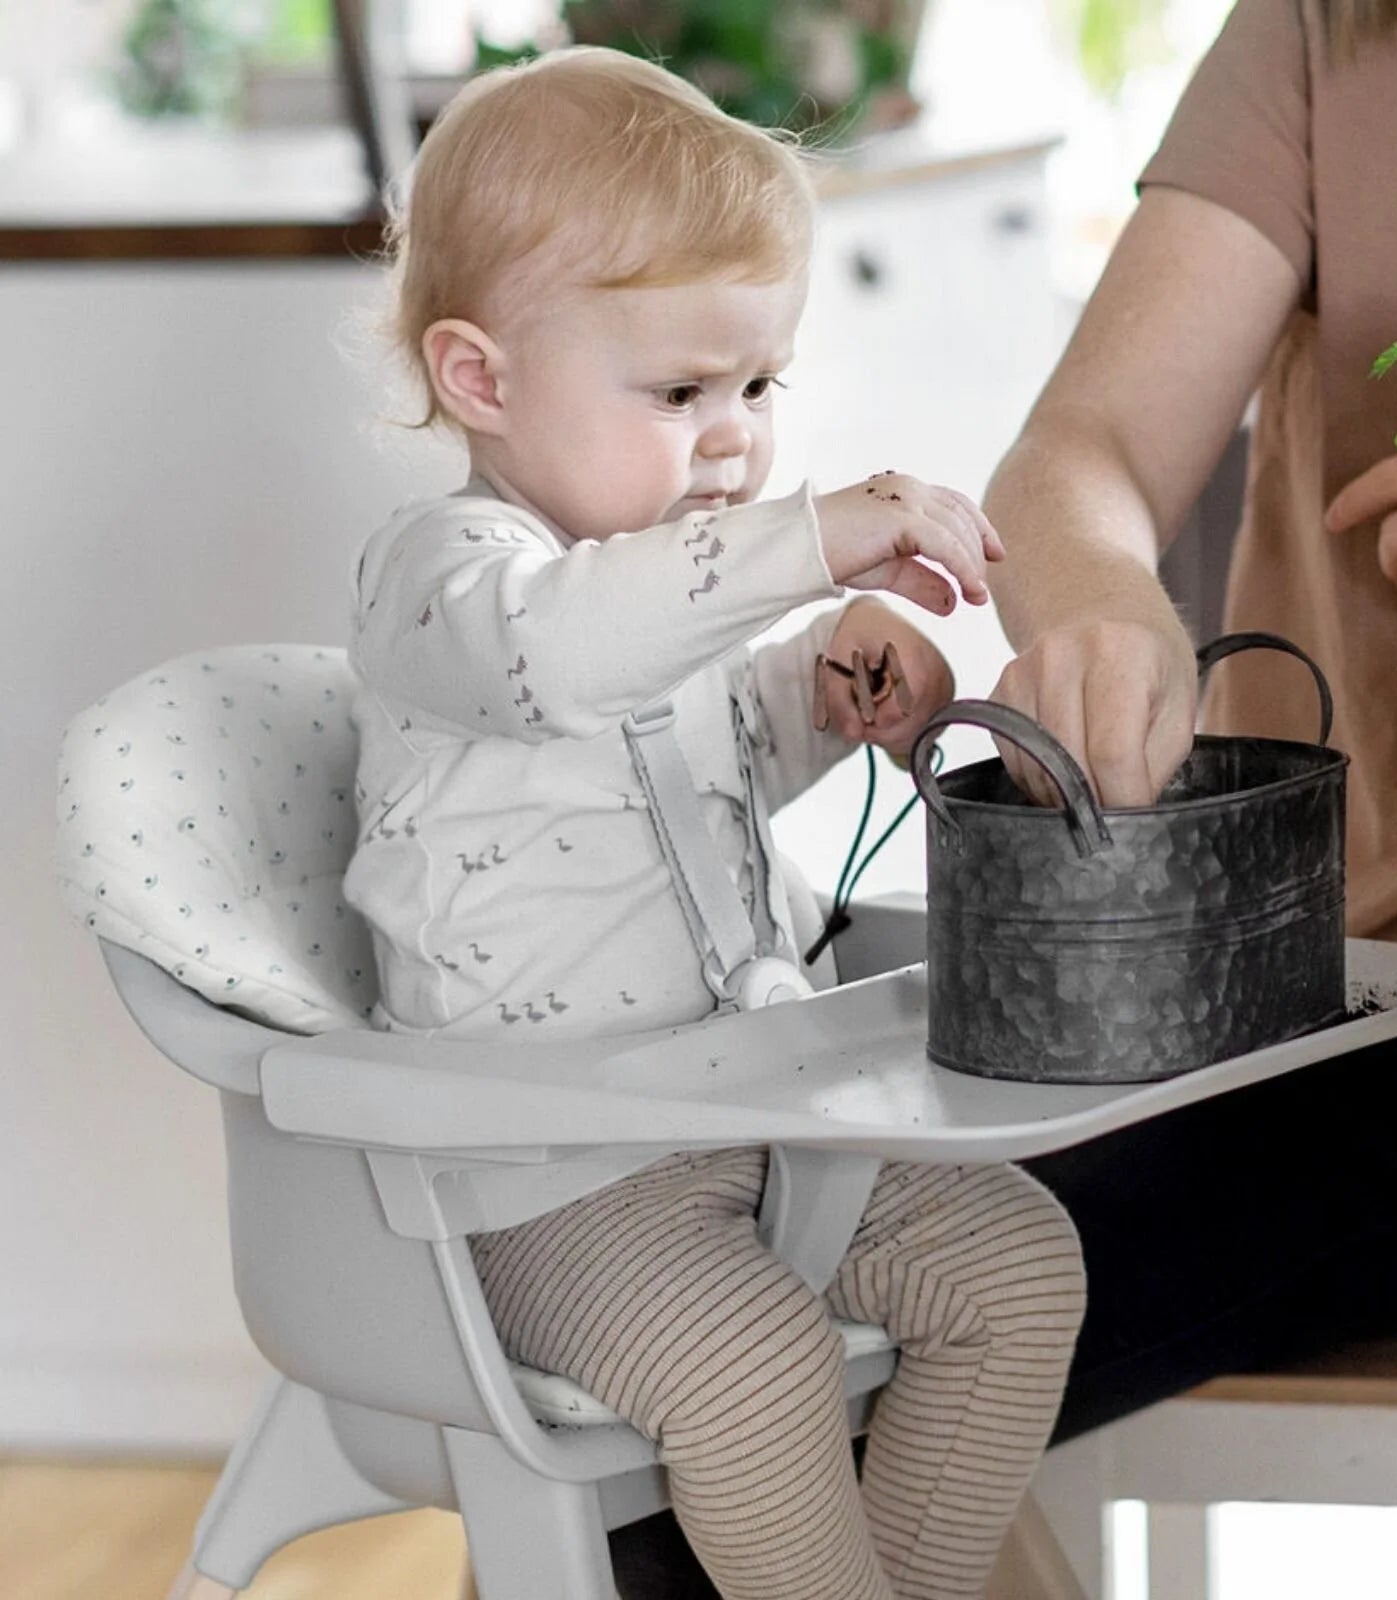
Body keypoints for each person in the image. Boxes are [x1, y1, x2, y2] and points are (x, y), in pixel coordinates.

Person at [345, 49, 1085, 1600]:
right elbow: (574, 656)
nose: (737, 437)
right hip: (543, 1178)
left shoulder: (659, 589)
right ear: (482, 379)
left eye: (759, 387)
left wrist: (825, 690)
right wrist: (811, 542)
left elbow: (697, 771)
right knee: (753, 1366)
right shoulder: (450, 580)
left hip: (754, 1125)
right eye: (682, 392)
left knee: (1019, 1267)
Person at [982, 0, 1397, 1442]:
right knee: (851, 1346)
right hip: (1361, 1006)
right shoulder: (1324, 36)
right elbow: (1087, 449)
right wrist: (1104, 605)